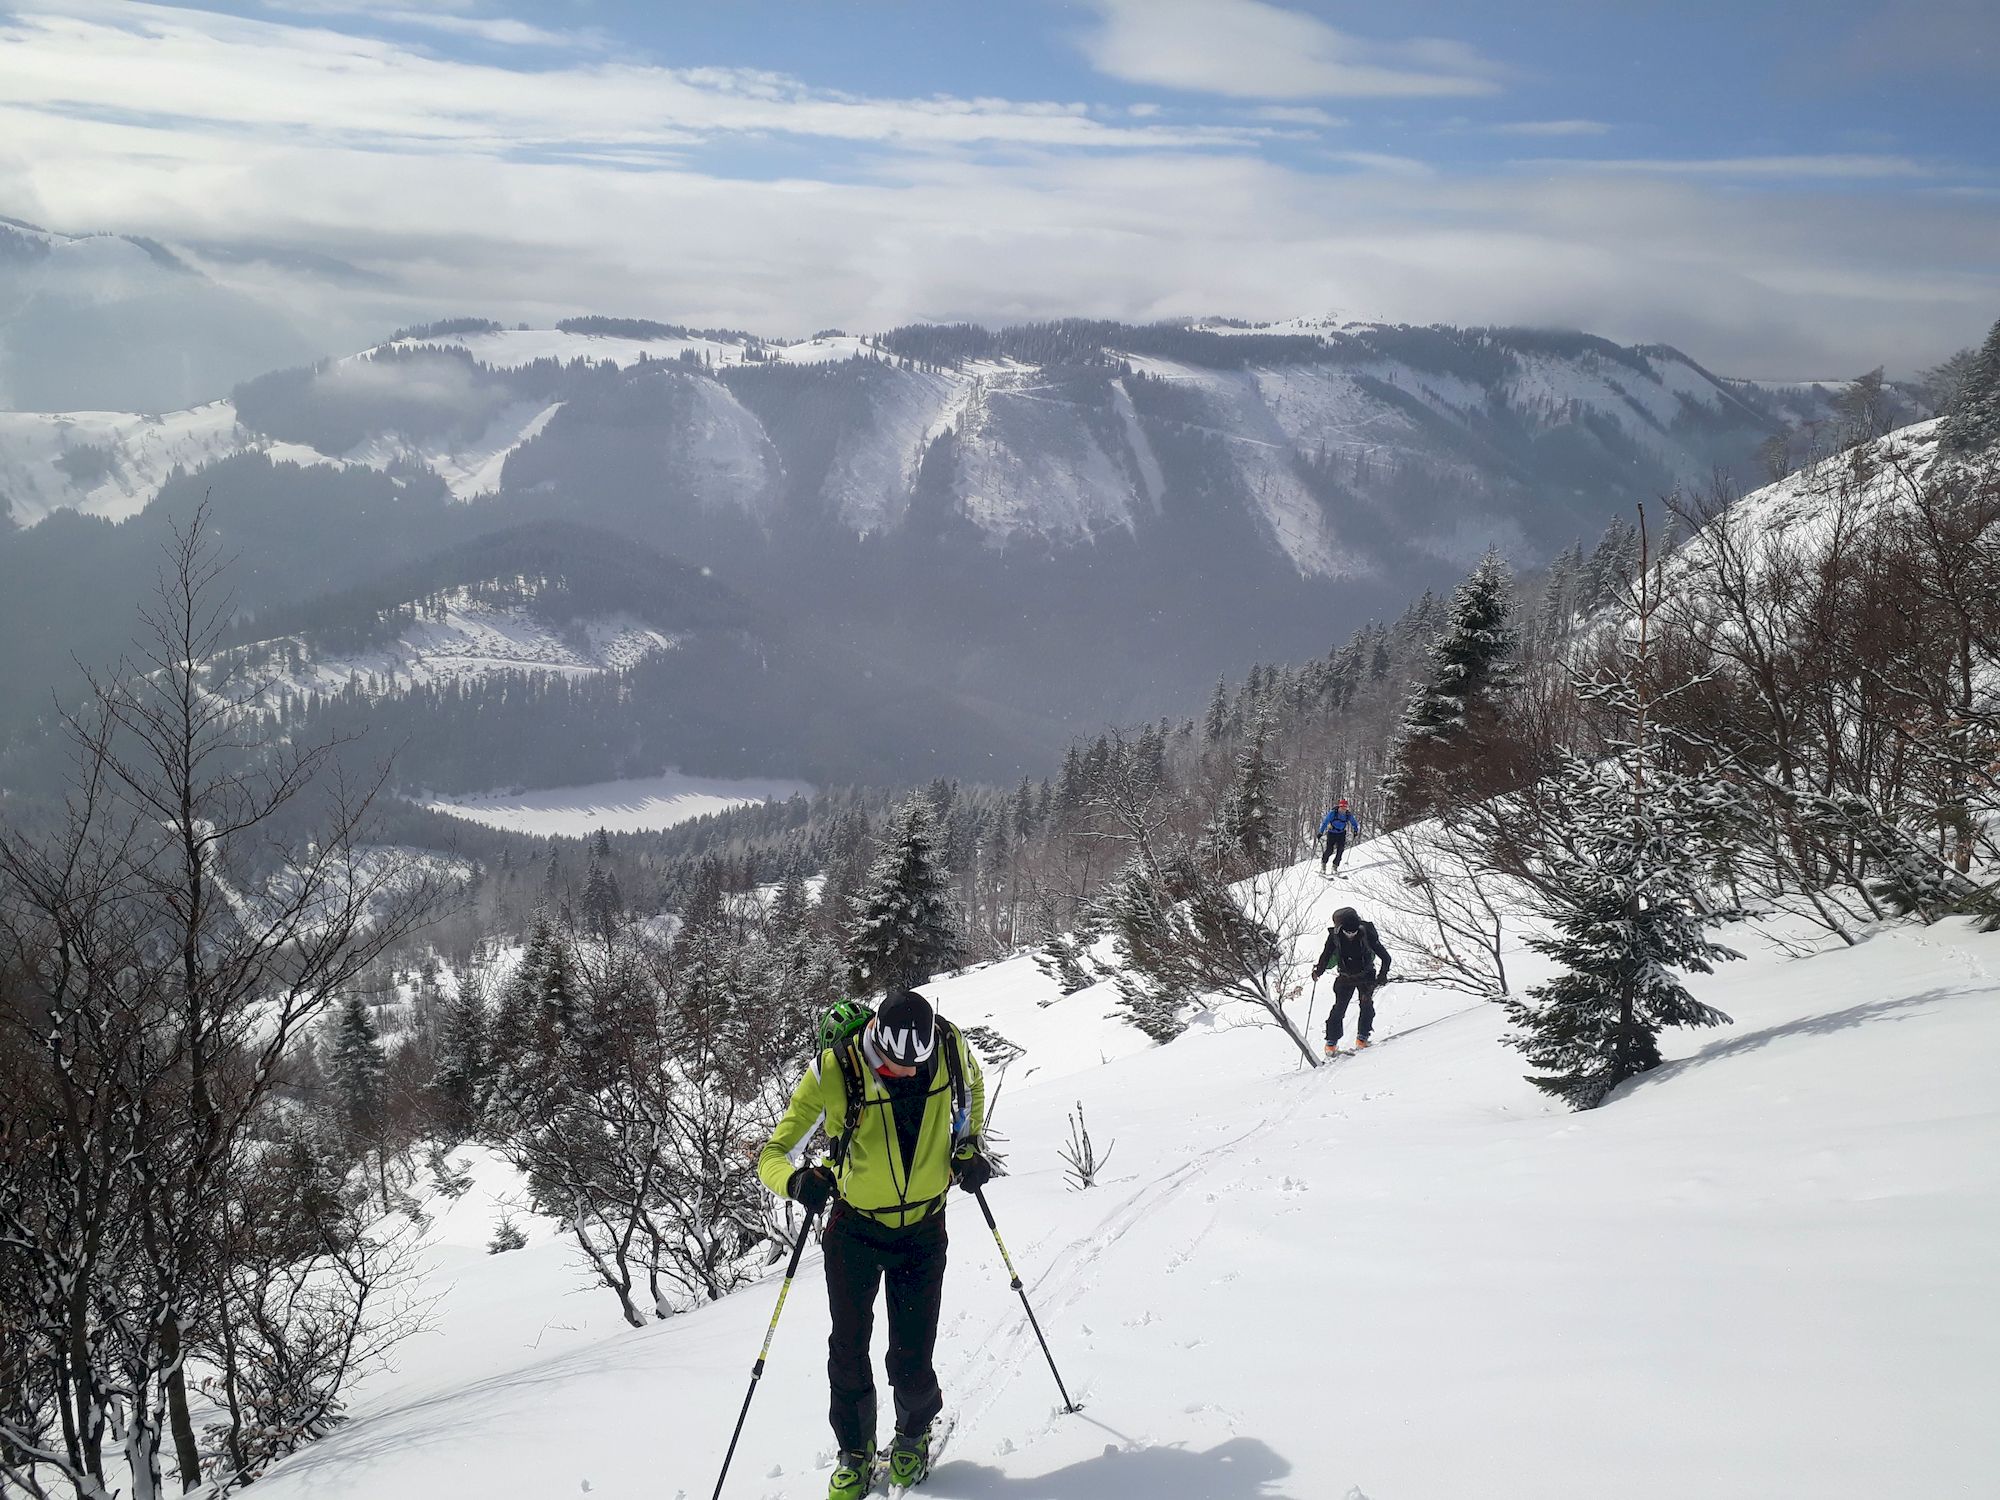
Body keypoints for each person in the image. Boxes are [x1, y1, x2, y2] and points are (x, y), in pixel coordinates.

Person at [759, 988, 990, 1500]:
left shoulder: (949, 1046)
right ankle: (855, 1451)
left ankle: (913, 1432)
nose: (905, 1073)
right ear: (875, 1042)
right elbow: (774, 1152)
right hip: (855, 1231)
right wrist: (795, 1182)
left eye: (916, 1065)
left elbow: (972, 1090)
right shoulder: (833, 1071)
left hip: (923, 1230)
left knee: (911, 1359)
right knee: (848, 1349)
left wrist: (969, 1146)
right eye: (892, 1064)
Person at [1311, 905, 1391, 1056]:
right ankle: (1331, 1044)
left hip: (1366, 974)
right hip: (1345, 976)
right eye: (1348, 932)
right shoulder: (1334, 936)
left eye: (1354, 931)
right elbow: (1326, 954)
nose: (1351, 934)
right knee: (1339, 1008)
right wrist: (1319, 971)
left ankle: (1362, 1038)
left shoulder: (1367, 933)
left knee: (1366, 1004)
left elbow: (1385, 956)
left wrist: (1382, 975)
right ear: (1341, 928)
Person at [1317, 798, 1360, 875]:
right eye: (1342, 808)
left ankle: (1335, 866)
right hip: (1332, 833)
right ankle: (1323, 864)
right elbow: (1325, 822)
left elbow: (1354, 822)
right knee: (1329, 850)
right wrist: (1320, 832)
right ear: (1339, 807)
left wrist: (1355, 830)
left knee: (1340, 850)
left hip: (1341, 833)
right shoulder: (1333, 813)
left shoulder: (1347, 814)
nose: (1343, 810)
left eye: (1345, 808)